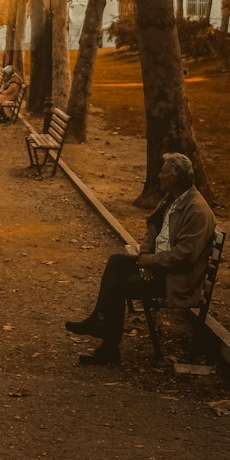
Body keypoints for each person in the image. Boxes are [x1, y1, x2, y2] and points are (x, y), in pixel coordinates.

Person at [65, 152, 215, 366]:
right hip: (161, 267)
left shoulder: (197, 210)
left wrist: (150, 260)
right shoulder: (173, 198)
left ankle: (108, 347)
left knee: (122, 285)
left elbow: (185, 257)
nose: (158, 176)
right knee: (117, 261)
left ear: (174, 178)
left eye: (162, 172)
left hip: (176, 279)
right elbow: (152, 230)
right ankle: (99, 321)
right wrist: (145, 254)